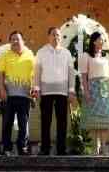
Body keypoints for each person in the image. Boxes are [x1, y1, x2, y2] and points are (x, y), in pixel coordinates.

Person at [34, 27, 76, 156]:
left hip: (62, 92)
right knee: (45, 121)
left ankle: (61, 149)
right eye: (53, 35)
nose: (56, 37)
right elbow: (37, 72)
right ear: (48, 36)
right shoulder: (41, 52)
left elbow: (71, 73)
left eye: (58, 35)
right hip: (46, 92)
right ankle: (45, 149)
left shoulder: (66, 53)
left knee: (62, 122)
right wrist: (36, 88)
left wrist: (71, 90)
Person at [0, 30, 36, 156]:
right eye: (12, 39)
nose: (15, 41)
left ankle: (22, 147)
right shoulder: (5, 55)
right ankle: (6, 148)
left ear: (23, 41)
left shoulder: (30, 55)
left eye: (17, 39)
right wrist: (2, 90)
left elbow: (35, 74)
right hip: (8, 95)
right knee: (7, 123)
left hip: (25, 95)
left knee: (23, 123)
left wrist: (34, 91)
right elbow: (0, 74)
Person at [79, 31, 109, 156]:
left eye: (103, 40)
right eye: (100, 39)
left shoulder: (108, 57)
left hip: (105, 89)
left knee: (105, 121)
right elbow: (84, 76)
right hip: (93, 89)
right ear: (94, 41)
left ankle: (105, 149)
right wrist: (86, 92)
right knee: (95, 121)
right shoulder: (86, 56)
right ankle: (96, 148)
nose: (102, 42)